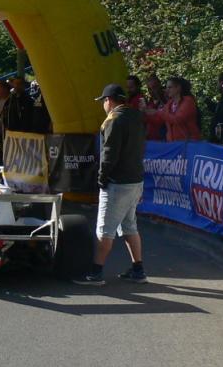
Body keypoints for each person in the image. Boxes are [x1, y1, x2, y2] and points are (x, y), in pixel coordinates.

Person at [78, 84, 147, 286]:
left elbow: (109, 153)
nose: (103, 105)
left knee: (104, 229)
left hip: (117, 182)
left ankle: (96, 273)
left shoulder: (113, 120)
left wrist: (102, 177)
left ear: (108, 100)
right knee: (130, 226)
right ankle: (138, 270)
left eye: (103, 101)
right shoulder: (137, 117)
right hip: (136, 180)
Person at [145, 76, 200, 141]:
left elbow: (177, 119)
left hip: (189, 142)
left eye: (170, 87)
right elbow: (160, 119)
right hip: (173, 143)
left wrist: (157, 112)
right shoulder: (169, 104)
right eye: (166, 87)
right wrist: (144, 114)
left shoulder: (188, 101)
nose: (166, 90)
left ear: (178, 88)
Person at [144, 74, 166, 141]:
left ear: (159, 85)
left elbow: (163, 120)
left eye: (154, 87)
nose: (152, 91)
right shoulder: (150, 102)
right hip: (151, 140)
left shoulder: (168, 100)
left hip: (164, 140)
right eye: (149, 89)